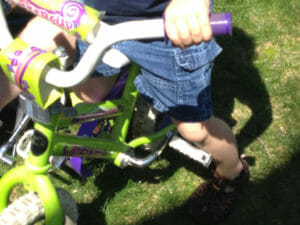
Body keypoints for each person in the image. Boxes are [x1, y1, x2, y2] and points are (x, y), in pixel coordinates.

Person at [0, 0, 249, 224]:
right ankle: (131, 95)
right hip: (98, 17)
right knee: (87, 93)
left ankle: (232, 173)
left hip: (167, 28)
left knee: (195, 129)